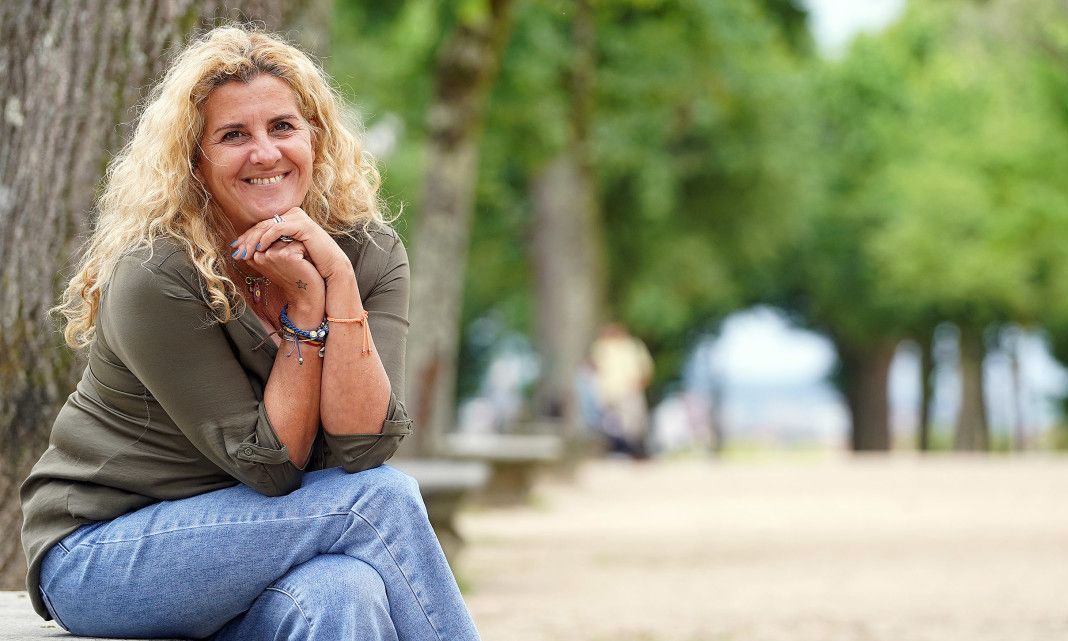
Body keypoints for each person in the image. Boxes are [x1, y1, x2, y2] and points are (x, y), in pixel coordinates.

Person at [19, 26, 481, 641]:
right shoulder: (159, 272)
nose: (265, 153)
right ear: (195, 160)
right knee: (382, 501)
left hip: (267, 542)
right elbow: (270, 468)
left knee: (344, 592)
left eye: (283, 128)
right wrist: (304, 307)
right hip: (108, 554)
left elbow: (364, 446)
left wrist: (336, 281)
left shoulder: (366, 252)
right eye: (233, 136)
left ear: (315, 137)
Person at [589, 323, 654, 459]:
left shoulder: (633, 346)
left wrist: (638, 384)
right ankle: (618, 450)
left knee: (633, 424)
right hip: (608, 394)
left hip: (629, 391)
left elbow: (646, 368)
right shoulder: (602, 346)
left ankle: (635, 451)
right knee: (611, 426)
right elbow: (593, 367)